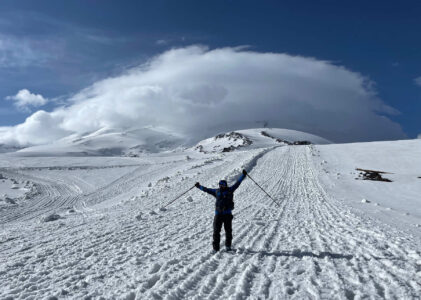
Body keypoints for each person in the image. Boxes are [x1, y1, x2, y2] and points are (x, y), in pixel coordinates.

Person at [195, 169, 247, 252]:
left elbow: (238, 183)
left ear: (226, 185)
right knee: (216, 231)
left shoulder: (230, 190)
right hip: (218, 215)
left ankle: (228, 246)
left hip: (227, 214)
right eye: (220, 184)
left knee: (228, 231)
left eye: (223, 184)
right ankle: (216, 248)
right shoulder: (216, 191)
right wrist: (199, 186)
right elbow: (207, 190)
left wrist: (243, 175)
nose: (221, 186)